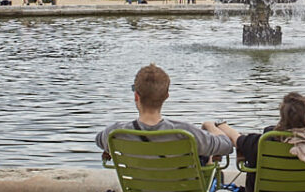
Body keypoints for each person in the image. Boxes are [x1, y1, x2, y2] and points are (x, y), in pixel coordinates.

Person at [95, 64, 233, 179]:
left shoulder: (116, 132)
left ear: (136, 96)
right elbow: (226, 146)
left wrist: (110, 149)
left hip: (141, 187)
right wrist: (209, 126)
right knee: (205, 156)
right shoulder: (185, 132)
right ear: (166, 96)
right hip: (184, 187)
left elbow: (99, 140)